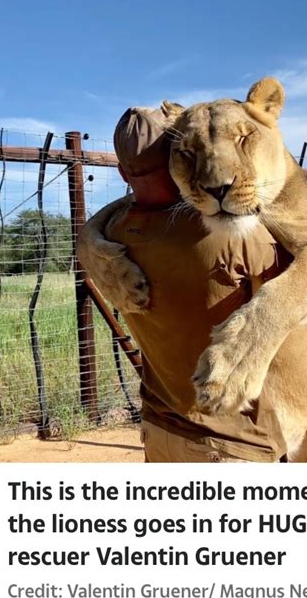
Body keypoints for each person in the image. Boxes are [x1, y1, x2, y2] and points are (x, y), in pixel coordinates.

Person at [78, 107, 290, 462]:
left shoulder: (111, 237)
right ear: (181, 161)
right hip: (230, 442)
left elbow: (131, 203)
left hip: (160, 428)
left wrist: (86, 237)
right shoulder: (230, 235)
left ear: (121, 172)